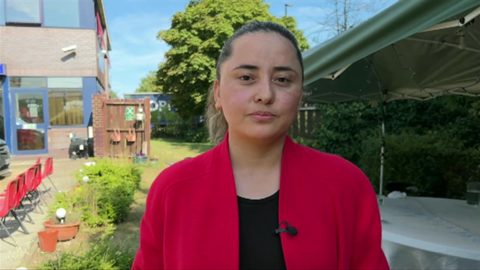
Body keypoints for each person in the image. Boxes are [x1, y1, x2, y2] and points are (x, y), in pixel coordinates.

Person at [132, 21, 389, 270]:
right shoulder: (173, 190)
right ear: (218, 93)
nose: (265, 94)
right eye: (246, 77)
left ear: (300, 96)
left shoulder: (346, 185)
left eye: (283, 80)